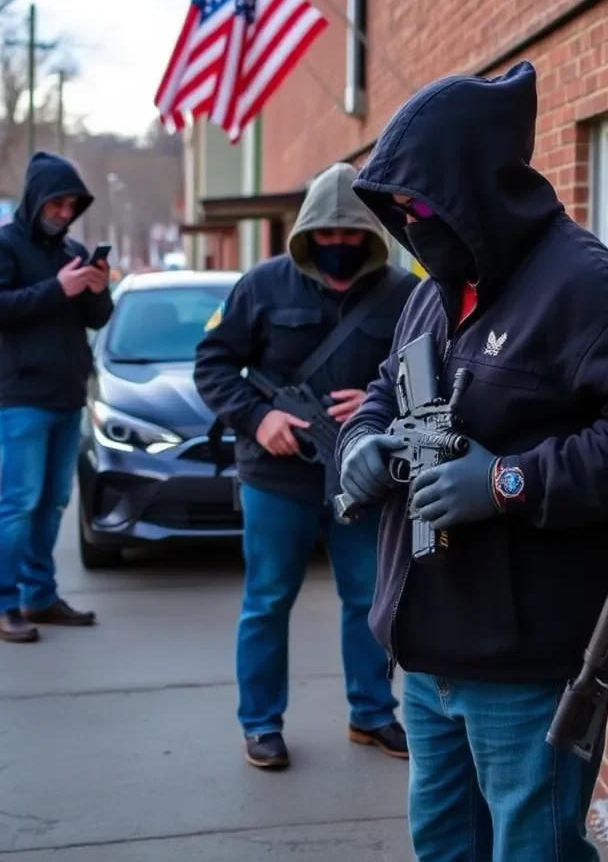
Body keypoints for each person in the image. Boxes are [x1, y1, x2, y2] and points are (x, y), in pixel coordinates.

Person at [336, 62, 608, 861]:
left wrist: (507, 481)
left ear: (473, 190)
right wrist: (363, 443)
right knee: (445, 851)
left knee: (536, 853)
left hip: (526, 669)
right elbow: (390, 384)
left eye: (424, 206)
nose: (413, 225)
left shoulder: (589, 291)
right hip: (426, 655)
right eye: (402, 211)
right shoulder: (433, 290)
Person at [194, 162, 418, 771]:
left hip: (362, 473)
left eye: (352, 237)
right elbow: (212, 363)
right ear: (307, 233)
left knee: (369, 598)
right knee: (267, 599)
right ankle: (261, 723)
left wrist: (382, 404)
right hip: (277, 475)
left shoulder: (402, 292)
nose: (339, 247)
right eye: (327, 236)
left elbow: (429, 375)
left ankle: (371, 713)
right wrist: (257, 419)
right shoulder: (262, 286)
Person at [0, 152, 113, 644]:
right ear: (36, 201)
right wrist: (57, 288)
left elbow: (94, 319)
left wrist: (96, 289)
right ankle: (2, 606)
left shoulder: (71, 250)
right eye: (56, 202)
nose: (63, 211)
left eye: (70, 204)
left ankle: (40, 595)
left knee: (53, 501)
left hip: (65, 393)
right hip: (20, 397)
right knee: (20, 501)